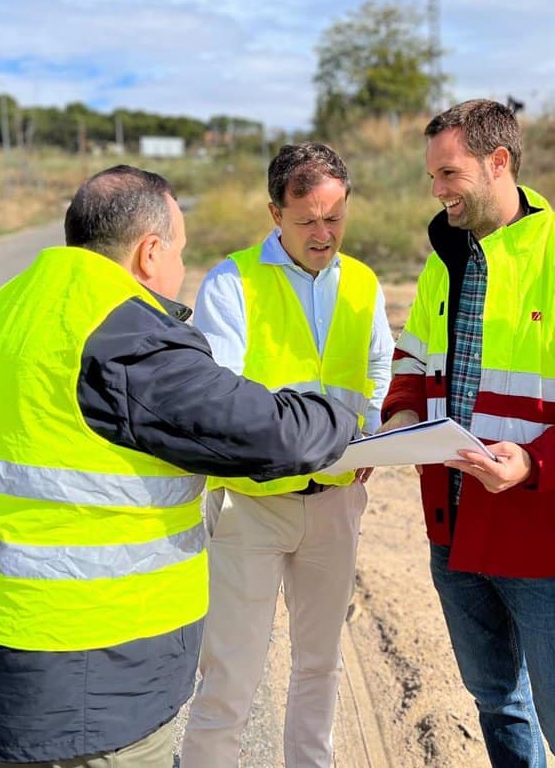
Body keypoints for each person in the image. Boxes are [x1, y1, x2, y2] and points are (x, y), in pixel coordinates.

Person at [0, 164, 360, 768]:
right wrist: (344, 419)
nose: (181, 270)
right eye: (180, 253)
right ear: (149, 252)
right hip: (96, 682)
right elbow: (271, 434)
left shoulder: (1, 314)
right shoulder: (126, 335)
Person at [380, 99, 555, 767]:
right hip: (452, 532)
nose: (439, 192)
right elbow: (414, 359)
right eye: (433, 178)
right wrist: (401, 415)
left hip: (546, 545)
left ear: (498, 162)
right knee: (496, 704)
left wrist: (531, 465)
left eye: (449, 174)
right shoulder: (444, 263)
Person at [182, 142, 393, 768]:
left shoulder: (362, 282)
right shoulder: (231, 281)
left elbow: (378, 365)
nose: (323, 234)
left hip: (336, 503)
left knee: (320, 665)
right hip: (252, 509)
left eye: (335, 218)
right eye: (307, 220)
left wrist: (375, 431)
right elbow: (220, 398)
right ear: (276, 212)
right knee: (231, 675)